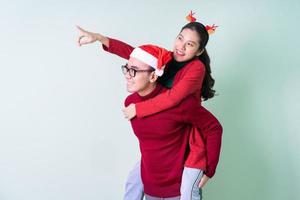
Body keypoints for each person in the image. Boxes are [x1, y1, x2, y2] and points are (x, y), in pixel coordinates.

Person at [77, 20, 221, 200]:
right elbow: (137, 56)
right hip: (165, 128)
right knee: (134, 181)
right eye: (180, 38)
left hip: (189, 132)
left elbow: (174, 98)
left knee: (186, 192)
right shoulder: (168, 57)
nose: (181, 47)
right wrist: (101, 39)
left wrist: (138, 108)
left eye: (189, 44)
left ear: (199, 51)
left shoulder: (196, 68)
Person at [122, 44, 222, 199]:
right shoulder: (130, 103)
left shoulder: (179, 104)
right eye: (126, 68)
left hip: (178, 191)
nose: (128, 75)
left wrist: (210, 170)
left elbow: (214, 128)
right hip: (151, 189)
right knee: (132, 183)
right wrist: (100, 38)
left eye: (133, 71)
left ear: (153, 76)